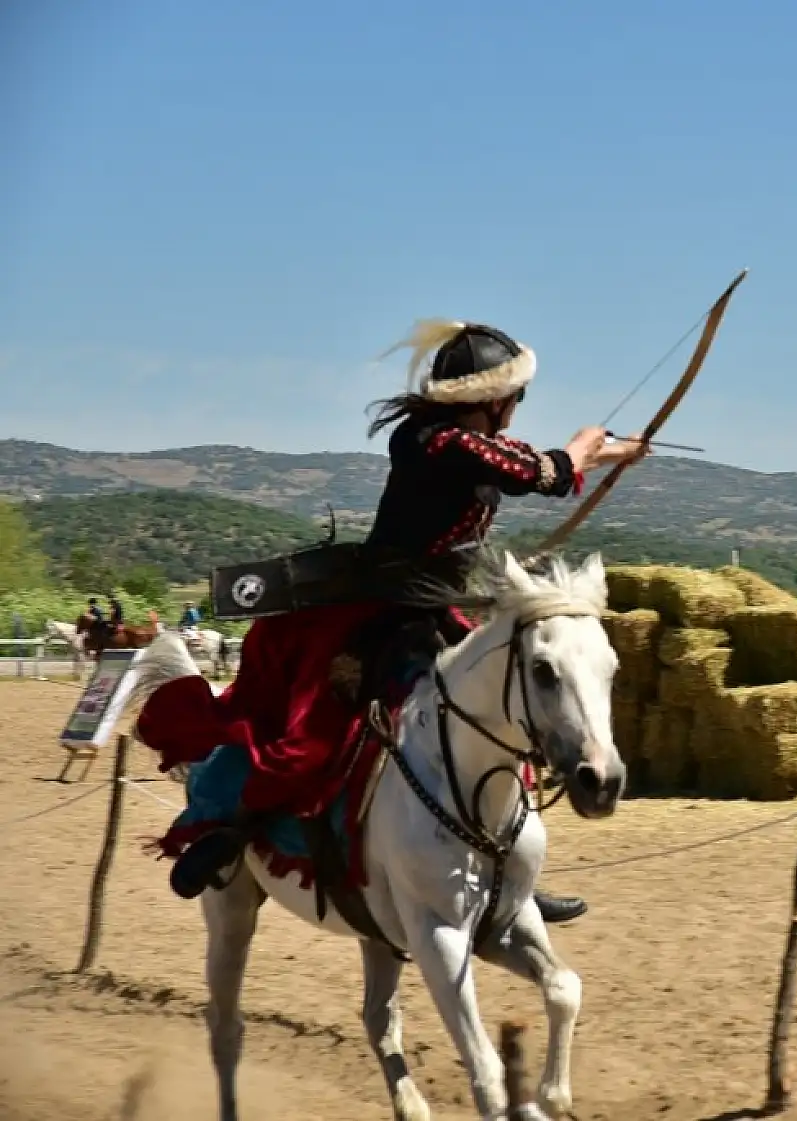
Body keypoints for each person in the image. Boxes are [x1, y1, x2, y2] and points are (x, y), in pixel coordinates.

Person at [137, 320, 649, 922]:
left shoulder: (466, 442)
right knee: (313, 736)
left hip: (438, 612)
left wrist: (611, 453)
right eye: (517, 396)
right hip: (379, 614)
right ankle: (230, 829)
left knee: (503, 716)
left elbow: (536, 468)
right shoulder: (431, 441)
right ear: (490, 398)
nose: (518, 407)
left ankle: (504, 869)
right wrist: (586, 448)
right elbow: (535, 471)